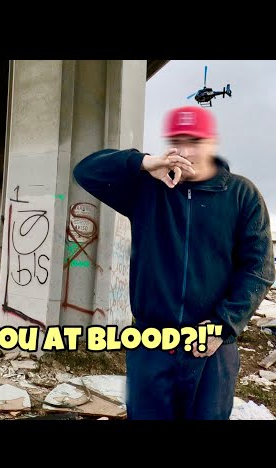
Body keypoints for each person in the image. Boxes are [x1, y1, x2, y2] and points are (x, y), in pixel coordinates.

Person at [73, 105, 275, 420]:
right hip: (151, 344)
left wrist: (223, 325)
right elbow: (86, 171)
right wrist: (143, 162)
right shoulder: (148, 189)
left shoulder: (241, 195)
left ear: (212, 142)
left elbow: (258, 270)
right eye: (178, 140)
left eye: (195, 140)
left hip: (211, 349)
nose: (185, 150)